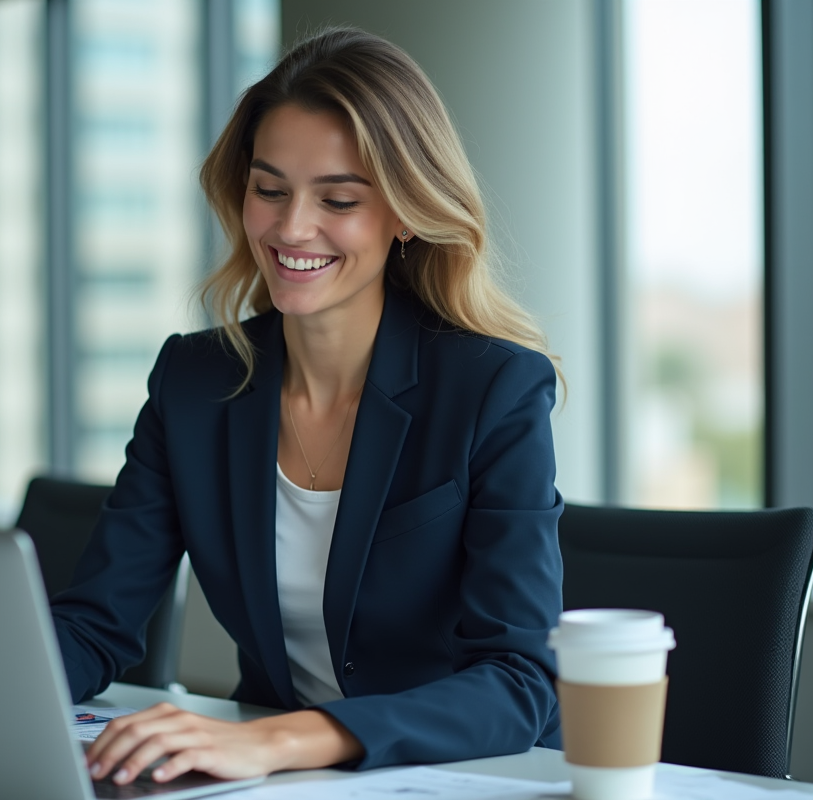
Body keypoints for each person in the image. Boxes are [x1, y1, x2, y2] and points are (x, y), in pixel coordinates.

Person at [51, 26, 564, 786]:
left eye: (339, 199)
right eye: (270, 190)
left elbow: (519, 680)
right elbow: (97, 623)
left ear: (405, 213)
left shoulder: (495, 389)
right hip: (276, 782)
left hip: (463, 776)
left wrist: (282, 741)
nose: (292, 228)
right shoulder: (193, 382)